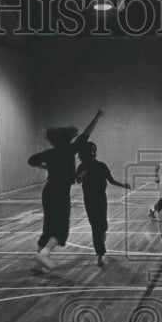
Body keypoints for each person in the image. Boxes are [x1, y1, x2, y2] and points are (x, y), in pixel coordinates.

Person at [27, 107, 104, 273]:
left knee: (48, 226)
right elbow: (86, 134)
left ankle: (37, 263)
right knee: (61, 228)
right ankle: (44, 254)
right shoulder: (69, 150)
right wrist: (97, 116)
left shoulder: (50, 152)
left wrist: (46, 166)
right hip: (61, 192)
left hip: (48, 191)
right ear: (67, 139)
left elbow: (31, 160)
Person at [76, 141, 130, 266]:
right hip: (89, 199)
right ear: (85, 153)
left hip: (101, 198)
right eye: (91, 151)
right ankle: (100, 254)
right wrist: (81, 175)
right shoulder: (82, 167)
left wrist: (123, 185)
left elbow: (111, 180)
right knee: (95, 226)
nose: (94, 153)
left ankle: (102, 235)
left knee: (103, 225)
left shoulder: (101, 166)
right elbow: (78, 180)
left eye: (95, 150)